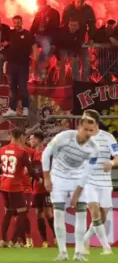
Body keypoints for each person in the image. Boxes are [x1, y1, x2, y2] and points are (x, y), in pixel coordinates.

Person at [41, 111, 107, 261]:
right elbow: (46, 154)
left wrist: (77, 193)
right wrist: (46, 178)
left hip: (78, 178)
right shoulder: (64, 137)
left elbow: (87, 173)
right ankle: (63, 252)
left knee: (82, 213)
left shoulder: (94, 149)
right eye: (86, 129)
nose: (88, 133)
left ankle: (78, 252)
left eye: (92, 131)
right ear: (79, 127)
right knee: (58, 213)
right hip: (58, 177)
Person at [0, 128, 34, 248]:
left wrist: (4, 173)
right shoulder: (22, 152)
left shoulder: (3, 150)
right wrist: (40, 178)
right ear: (21, 137)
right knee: (22, 212)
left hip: (5, 185)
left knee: (9, 212)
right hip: (17, 186)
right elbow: (31, 171)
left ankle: (4, 240)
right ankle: (14, 240)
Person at [82, 109, 116, 255]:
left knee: (103, 215)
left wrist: (112, 163)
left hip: (105, 181)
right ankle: (106, 247)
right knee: (94, 210)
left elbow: (117, 157)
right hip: (89, 180)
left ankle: (85, 238)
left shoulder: (108, 137)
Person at [2, 15, 38, 117]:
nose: (17, 24)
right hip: (12, 64)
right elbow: (3, 43)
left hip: (23, 65)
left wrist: (35, 62)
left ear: (22, 22)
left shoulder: (28, 34)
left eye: (18, 22)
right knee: (12, 87)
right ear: (13, 23)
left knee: (23, 87)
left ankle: (25, 108)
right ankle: (12, 109)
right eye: (15, 23)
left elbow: (34, 47)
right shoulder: (10, 33)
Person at [28, 131, 56, 248]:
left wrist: (46, 179)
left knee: (48, 212)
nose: (30, 141)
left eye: (31, 139)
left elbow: (52, 168)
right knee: (38, 214)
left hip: (46, 187)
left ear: (38, 140)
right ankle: (44, 241)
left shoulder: (47, 152)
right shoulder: (33, 153)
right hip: (36, 188)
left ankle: (55, 237)